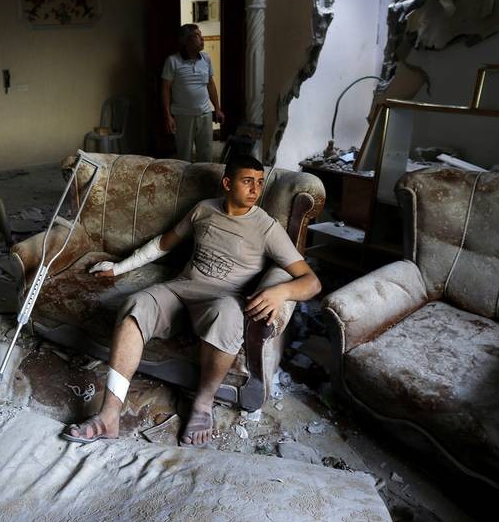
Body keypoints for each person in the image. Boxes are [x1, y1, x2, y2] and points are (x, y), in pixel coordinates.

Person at [61, 155, 321, 447]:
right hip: (181, 288)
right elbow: (163, 243)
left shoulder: (266, 227)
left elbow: (311, 281)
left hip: (222, 298)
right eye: (247, 181)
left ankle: (202, 404)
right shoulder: (203, 210)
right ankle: (109, 416)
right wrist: (118, 268)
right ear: (227, 183)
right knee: (135, 305)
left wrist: (282, 292)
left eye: (259, 183)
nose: (255, 190)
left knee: (228, 315)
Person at [161, 23, 224, 162]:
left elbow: (210, 84)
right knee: (184, 156)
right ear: (186, 40)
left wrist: (217, 109)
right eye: (197, 36)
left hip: (205, 114)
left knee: (206, 153)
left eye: (201, 35)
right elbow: (165, 90)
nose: (202, 39)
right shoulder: (173, 61)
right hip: (183, 116)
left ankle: (203, 182)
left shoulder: (206, 58)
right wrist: (168, 116)